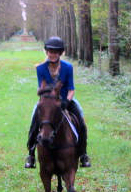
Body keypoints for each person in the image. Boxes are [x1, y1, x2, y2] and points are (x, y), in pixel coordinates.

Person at [24, 36, 91, 169]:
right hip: (48, 101)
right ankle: (31, 154)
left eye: (56, 52)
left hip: (66, 99)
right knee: (34, 119)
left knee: (81, 120)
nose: (53, 54)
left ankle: (83, 154)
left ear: (60, 53)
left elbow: (71, 89)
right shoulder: (40, 68)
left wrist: (66, 101)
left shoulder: (67, 67)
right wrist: (48, 98)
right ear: (46, 52)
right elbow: (41, 88)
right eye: (50, 51)